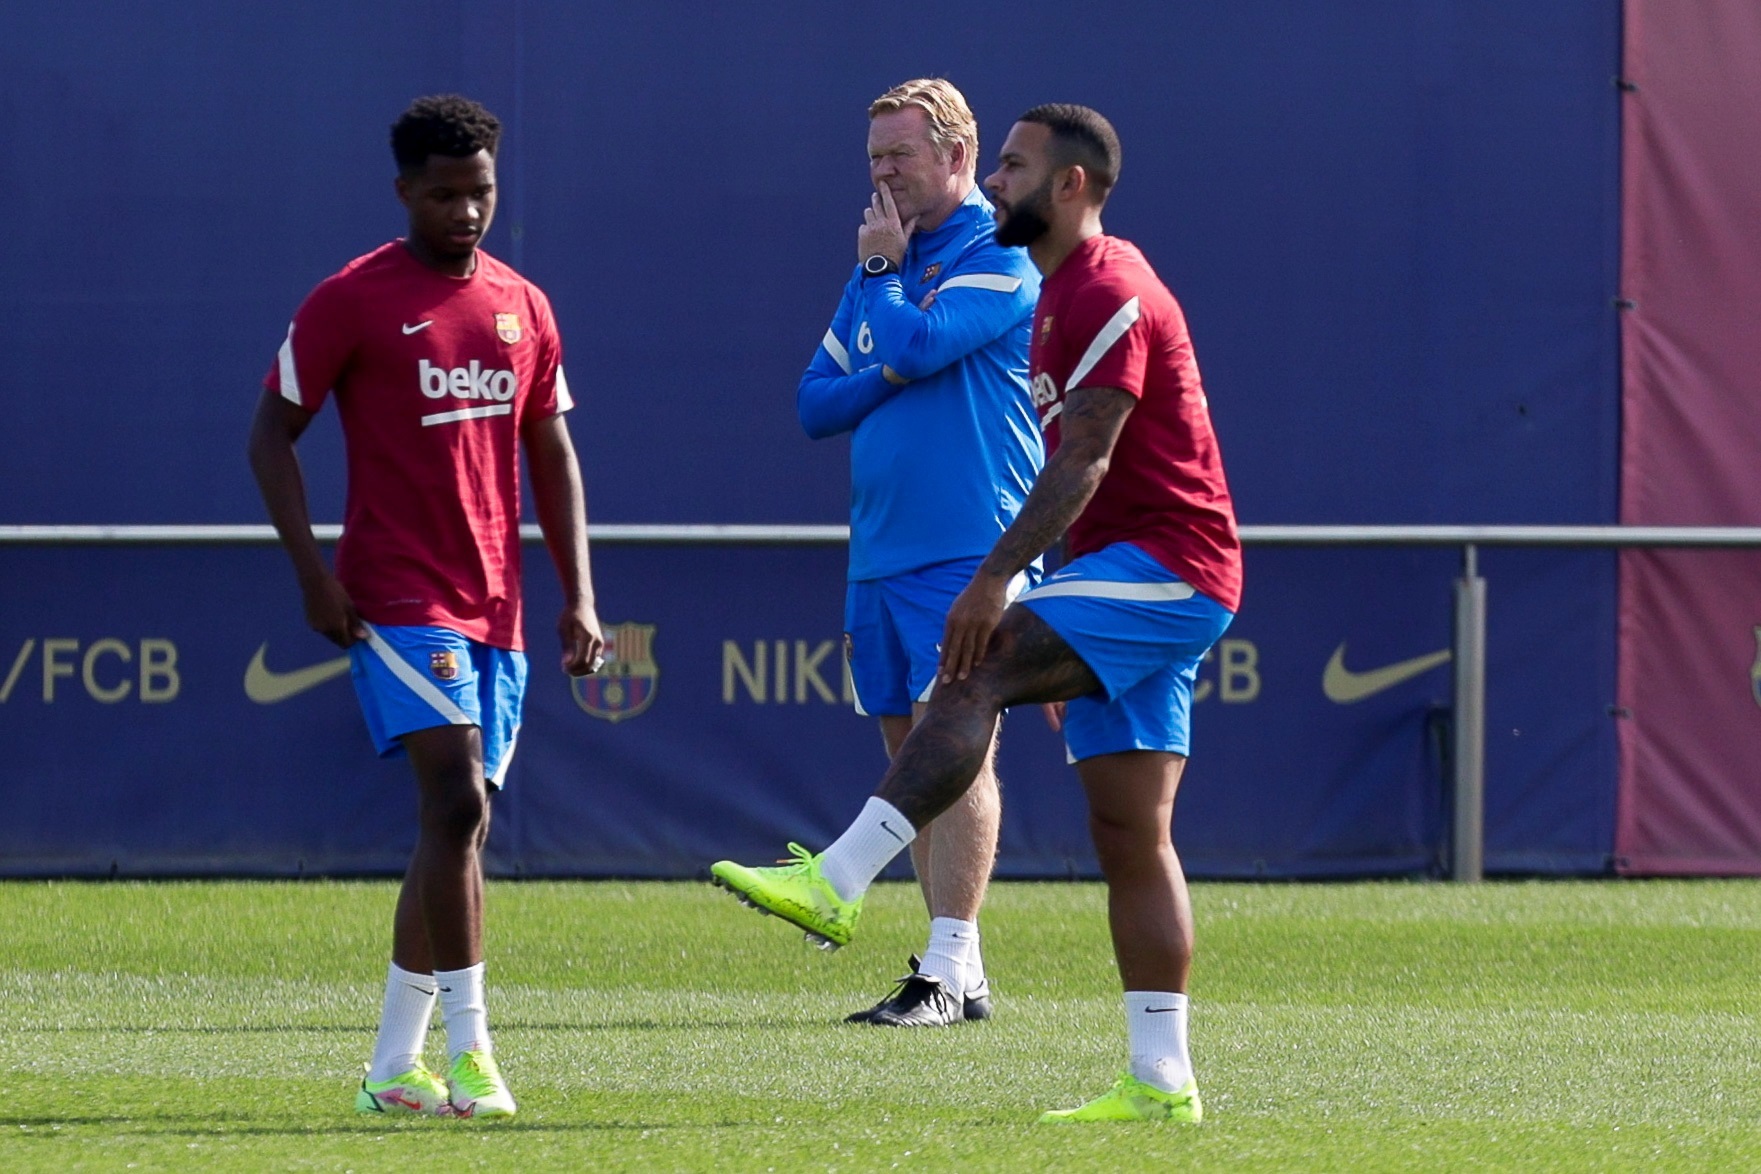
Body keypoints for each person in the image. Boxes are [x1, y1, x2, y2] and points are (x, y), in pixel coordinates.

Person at [714, 103, 1241, 1123]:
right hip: (1119, 571)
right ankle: (1161, 1079)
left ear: (1072, 186)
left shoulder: (1104, 289)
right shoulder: (1054, 290)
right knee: (1131, 831)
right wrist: (1069, 632)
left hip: (1170, 565)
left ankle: (839, 877)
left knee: (975, 664)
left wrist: (1002, 580)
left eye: (1012, 165)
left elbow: (1083, 457)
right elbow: (825, 395)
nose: (997, 180)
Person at [247, 94, 604, 1120]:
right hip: (397, 597)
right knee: (456, 805)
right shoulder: (351, 299)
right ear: (404, 190)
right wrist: (315, 574)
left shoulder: (524, 305)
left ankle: (390, 1064)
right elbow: (269, 435)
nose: (466, 211)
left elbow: (552, 449)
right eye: (444, 193)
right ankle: (474, 1052)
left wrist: (580, 593)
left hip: (500, 603)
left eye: (481, 189)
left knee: (458, 830)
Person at [794, 78, 1043, 1027]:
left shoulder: (997, 250)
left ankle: (941, 973)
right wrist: (891, 359)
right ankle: (960, 973)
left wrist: (886, 306)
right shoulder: (882, 260)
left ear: (957, 155)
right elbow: (815, 403)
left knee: (959, 756)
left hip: (970, 548)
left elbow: (916, 338)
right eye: (872, 158)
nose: (883, 172)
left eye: (899, 153)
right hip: (880, 549)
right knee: (911, 762)